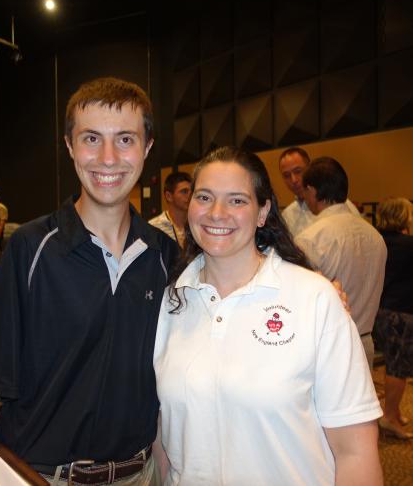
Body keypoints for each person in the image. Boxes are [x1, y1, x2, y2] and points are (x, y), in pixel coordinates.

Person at [0, 77, 179, 485]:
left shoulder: (164, 255)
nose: (108, 158)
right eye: (91, 138)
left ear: (147, 147)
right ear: (69, 146)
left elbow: (166, 387)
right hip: (45, 476)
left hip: (140, 474)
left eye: (125, 139)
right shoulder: (30, 248)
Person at [154, 146, 383, 485]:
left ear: (262, 212)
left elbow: (355, 452)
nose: (217, 213)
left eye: (236, 200)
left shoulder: (314, 299)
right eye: (204, 197)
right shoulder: (171, 303)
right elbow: (164, 434)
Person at [295, 157, 387, 370]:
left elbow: (300, 301)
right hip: (365, 342)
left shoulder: (312, 238)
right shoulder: (375, 236)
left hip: (330, 347)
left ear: (311, 190)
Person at [373, 197, 413, 439]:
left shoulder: (376, 240)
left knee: (394, 363)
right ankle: (389, 416)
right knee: (398, 368)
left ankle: (394, 411)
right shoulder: (409, 245)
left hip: (381, 311)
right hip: (401, 313)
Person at [278, 146, 360, 236]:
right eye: (286, 175)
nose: (293, 180)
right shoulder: (287, 216)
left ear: (309, 169)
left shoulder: (340, 205)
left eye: (298, 171)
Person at [149, 171, 192, 247]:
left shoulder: (196, 224)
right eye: (184, 191)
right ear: (169, 196)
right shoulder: (153, 227)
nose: (190, 196)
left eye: (192, 192)